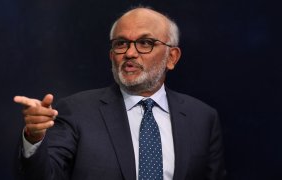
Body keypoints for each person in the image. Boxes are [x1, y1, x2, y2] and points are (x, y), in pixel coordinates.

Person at [14, 7, 226, 180]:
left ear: (172, 57)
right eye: (121, 44)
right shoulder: (76, 111)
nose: (130, 53)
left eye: (145, 43)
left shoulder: (202, 118)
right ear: (111, 55)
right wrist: (34, 138)